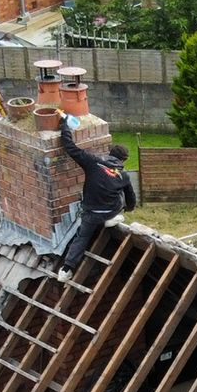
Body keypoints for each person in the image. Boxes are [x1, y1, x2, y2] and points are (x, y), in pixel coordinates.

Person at [56, 115, 136, 283]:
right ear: (123, 160)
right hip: (109, 211)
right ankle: (111, 218)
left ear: (110, 154)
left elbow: (71, 148)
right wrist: (128, 209)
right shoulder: (123, 175)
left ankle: (66, 269)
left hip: (91, 212)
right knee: (118, 194)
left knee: (82, 237)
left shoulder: (93, 163)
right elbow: (131, 197)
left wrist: (65, 126)